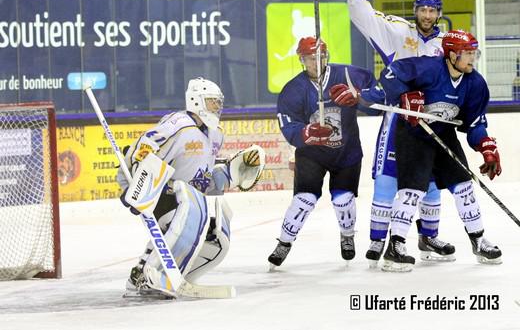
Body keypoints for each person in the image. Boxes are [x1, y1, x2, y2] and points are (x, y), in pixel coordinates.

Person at [336, 0, 455, 267]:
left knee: (430, 182)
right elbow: (366, 17)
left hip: (431, 120)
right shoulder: (398, 32)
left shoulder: (448, 44)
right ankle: (378, 241)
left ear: (439, 14)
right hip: (399, 118)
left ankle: (427, 236)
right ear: (415, 10)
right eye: (422, 9)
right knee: (388, 179)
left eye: (432, 11)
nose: (427, 15)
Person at [348, 29, 502, 271]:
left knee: (464, 186)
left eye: (475, 53)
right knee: (413, 191)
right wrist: (404, 95)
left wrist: (486, 148)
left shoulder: (475, 83)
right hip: (413, 134)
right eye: (467, 53)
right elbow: (392, 72)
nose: (473, 58)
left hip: (443, 133)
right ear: (451, 55)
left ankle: (479, 240)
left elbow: (474, 123)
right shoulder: (428, 68)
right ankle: (395, 247)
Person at [117, 77, 263, 297]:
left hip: (185, 193)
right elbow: (143, 147)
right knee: (187, 215)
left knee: (215, 228)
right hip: (153, 186)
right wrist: (137, 185)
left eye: (219, 102)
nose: (218, 107)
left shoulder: (216, 134)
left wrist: (226, 176)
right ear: (197, 101)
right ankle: (149, 273)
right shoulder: (178, 125)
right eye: (213, 102)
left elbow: (202, 179)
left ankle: (168, 274)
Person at [268, 36, 378, 268]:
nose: (316, 62)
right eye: (310, 58)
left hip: (346, 153)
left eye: (320, 57)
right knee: (304, 200)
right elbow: (288, 125)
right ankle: (284, 242)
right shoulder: (293, 90)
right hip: (312, 154)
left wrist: (359, 96)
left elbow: (376, 92)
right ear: (301, 60)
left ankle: (347, 235)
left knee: (343, 199)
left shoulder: (348, 75)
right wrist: (306, 133)